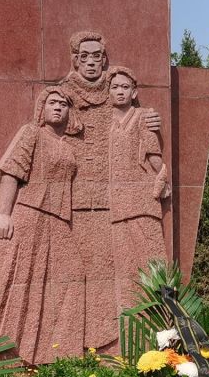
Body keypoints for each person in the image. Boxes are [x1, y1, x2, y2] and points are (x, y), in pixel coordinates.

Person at [0, 87, 85, 365]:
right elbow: (11, 172)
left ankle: (51, 354)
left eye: (63, 104)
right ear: (42, 108)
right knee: (18, 279)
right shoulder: (31, 133)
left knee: (72, 276)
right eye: (52, 102)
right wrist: (2, 214)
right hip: (30, 214)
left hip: (59, 219)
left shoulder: (68, 146)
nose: (58, 108)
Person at [59, 31, 163, 353]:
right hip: (77, 197)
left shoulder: (117, 97)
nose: (91, 63)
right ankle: (80, 341)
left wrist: (148, 117)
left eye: (97, 56)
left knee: (117, 272)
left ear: (104, 60)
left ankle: (116, 341)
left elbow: (137, 124)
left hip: (116, 202)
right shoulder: (63, 95)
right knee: (82, 271)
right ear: (75, 60)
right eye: (84, 57)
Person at [106, 65, 171, 312]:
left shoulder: (143, 117)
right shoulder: (106, 122)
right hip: (118, 204)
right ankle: (129, 314)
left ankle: (163, 312)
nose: (120, 91)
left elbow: (153, 154)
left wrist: (162, 178)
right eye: (115, 87)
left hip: (143, 201)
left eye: (125, 87)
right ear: (108, 92)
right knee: (124, 264)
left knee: (152, 257)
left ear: (134, 92)